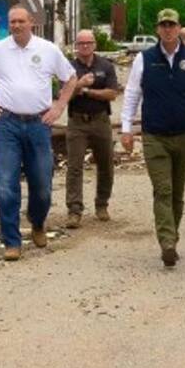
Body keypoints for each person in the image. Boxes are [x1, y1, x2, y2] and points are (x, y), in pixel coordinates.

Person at [0, 6, 77, 260]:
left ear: (31, 23)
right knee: (6, 184)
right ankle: (12, 241)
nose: (16, 25)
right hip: (8, 124)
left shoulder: (47, 50)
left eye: (21, 21)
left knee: (42, 185)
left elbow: (70, 78)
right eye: (12, 21)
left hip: (39, 124)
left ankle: (37, 221)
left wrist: (59, 106)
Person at [120, 8, 185, 267]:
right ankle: (167, 243)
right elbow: (131, 94)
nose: (168, 29)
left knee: (177, 192)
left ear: (179, 27)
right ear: (157, 29)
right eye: (163, 25)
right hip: (154, 136)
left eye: (171, 25)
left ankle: (172, 235)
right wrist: (126, 128)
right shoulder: (145, 58)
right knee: (163, 189)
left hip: (184, 134)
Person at [65, 29, 121, 229]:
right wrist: (78, 84)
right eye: (81, 43)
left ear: (95, 44)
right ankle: (74, 210)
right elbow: (63, 96)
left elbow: (112, 94)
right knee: (74, 167)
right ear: (76, 46)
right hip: (77, 122)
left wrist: (86, 90)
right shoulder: (69, 68)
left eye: (88, 42)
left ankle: (102, 204)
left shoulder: (105, 66)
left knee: (106, 164)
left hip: (100, 120)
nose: (85, 46)